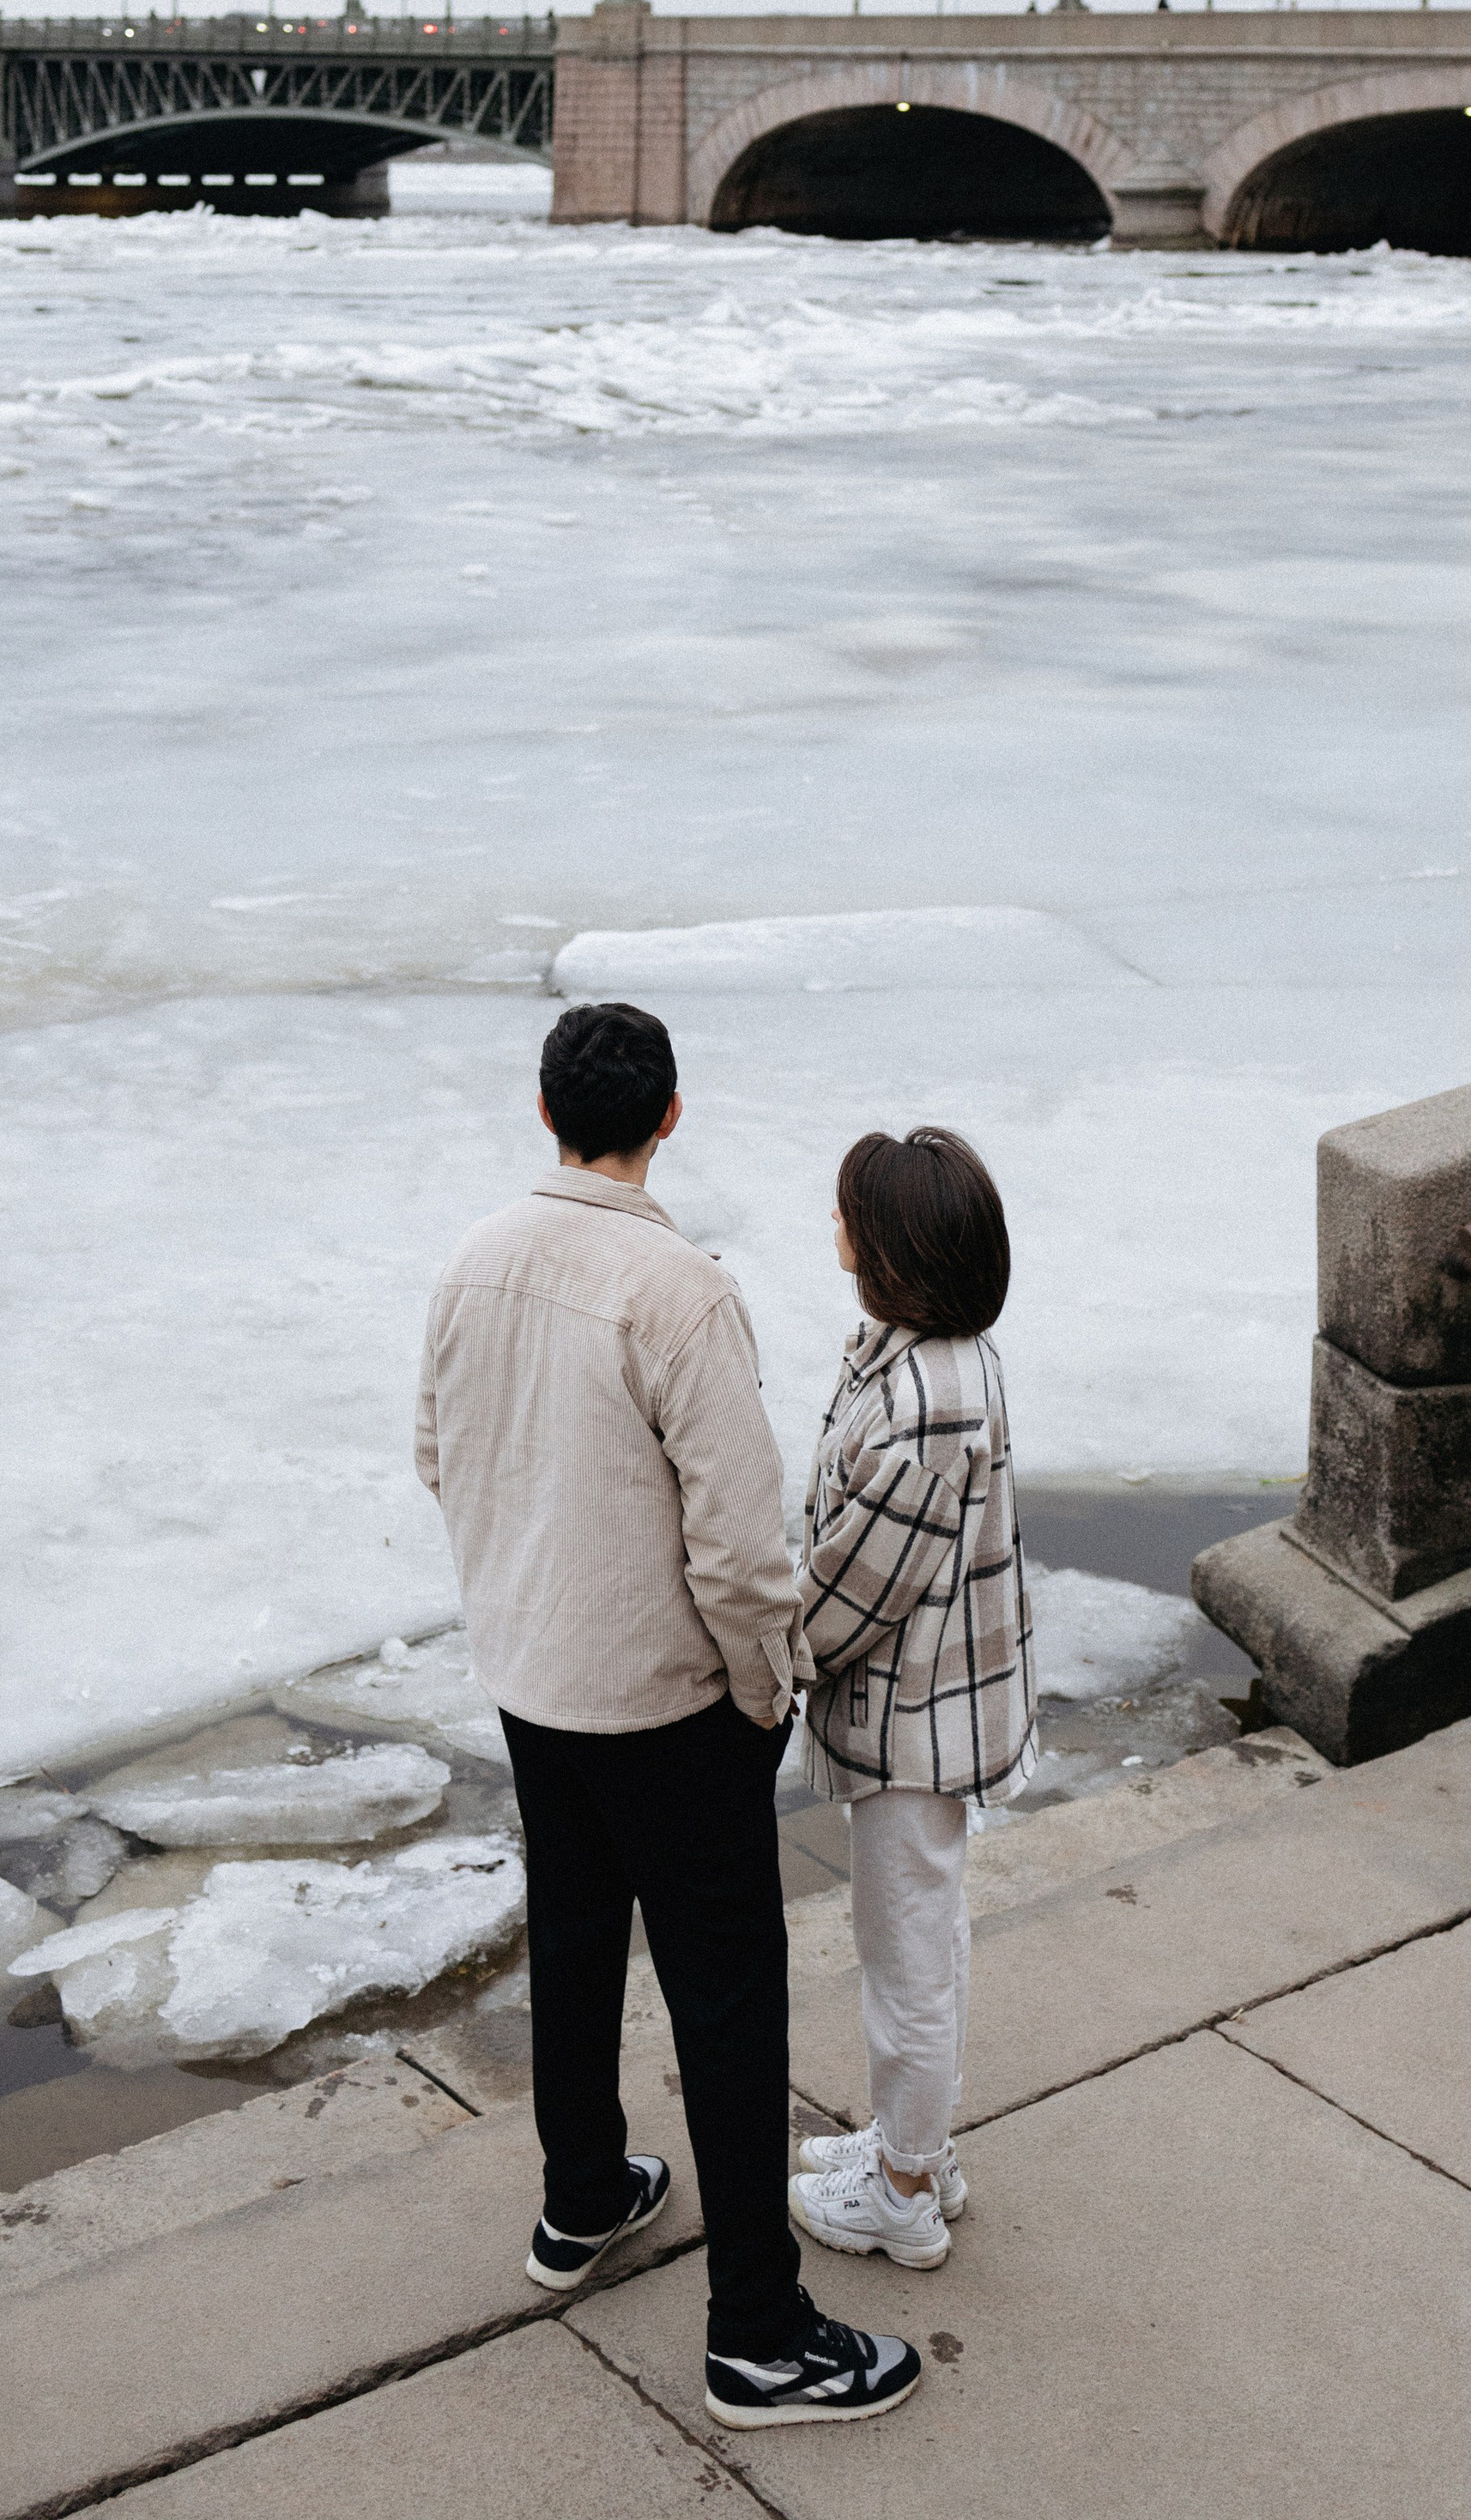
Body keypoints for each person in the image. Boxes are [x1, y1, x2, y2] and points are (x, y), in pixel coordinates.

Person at [416, 1000, 920, 2428]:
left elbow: (437, 1454)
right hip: (665, 1701)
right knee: (728, 2000)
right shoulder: (680, 1291)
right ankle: (756, 2333)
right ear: (671, 1117)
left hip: (536, 1682)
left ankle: (583, 2196)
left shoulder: (472, 1259)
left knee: (575, 1940)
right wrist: (764, 1692)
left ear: (546, 1111)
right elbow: (742, 1549)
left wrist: (522, 1595)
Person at [787, 1126, 1037, 2269]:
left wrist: (770, 1655)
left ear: (894, 1246)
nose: (833, 1224)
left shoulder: (932, 1394)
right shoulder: (931, 1355)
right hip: (931, 1703)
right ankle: (916, 2150)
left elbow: (859, 1589)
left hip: (914, 1717)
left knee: (908, 1961)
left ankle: (901, 2194)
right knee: (922, 1944)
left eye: (849, 1211)